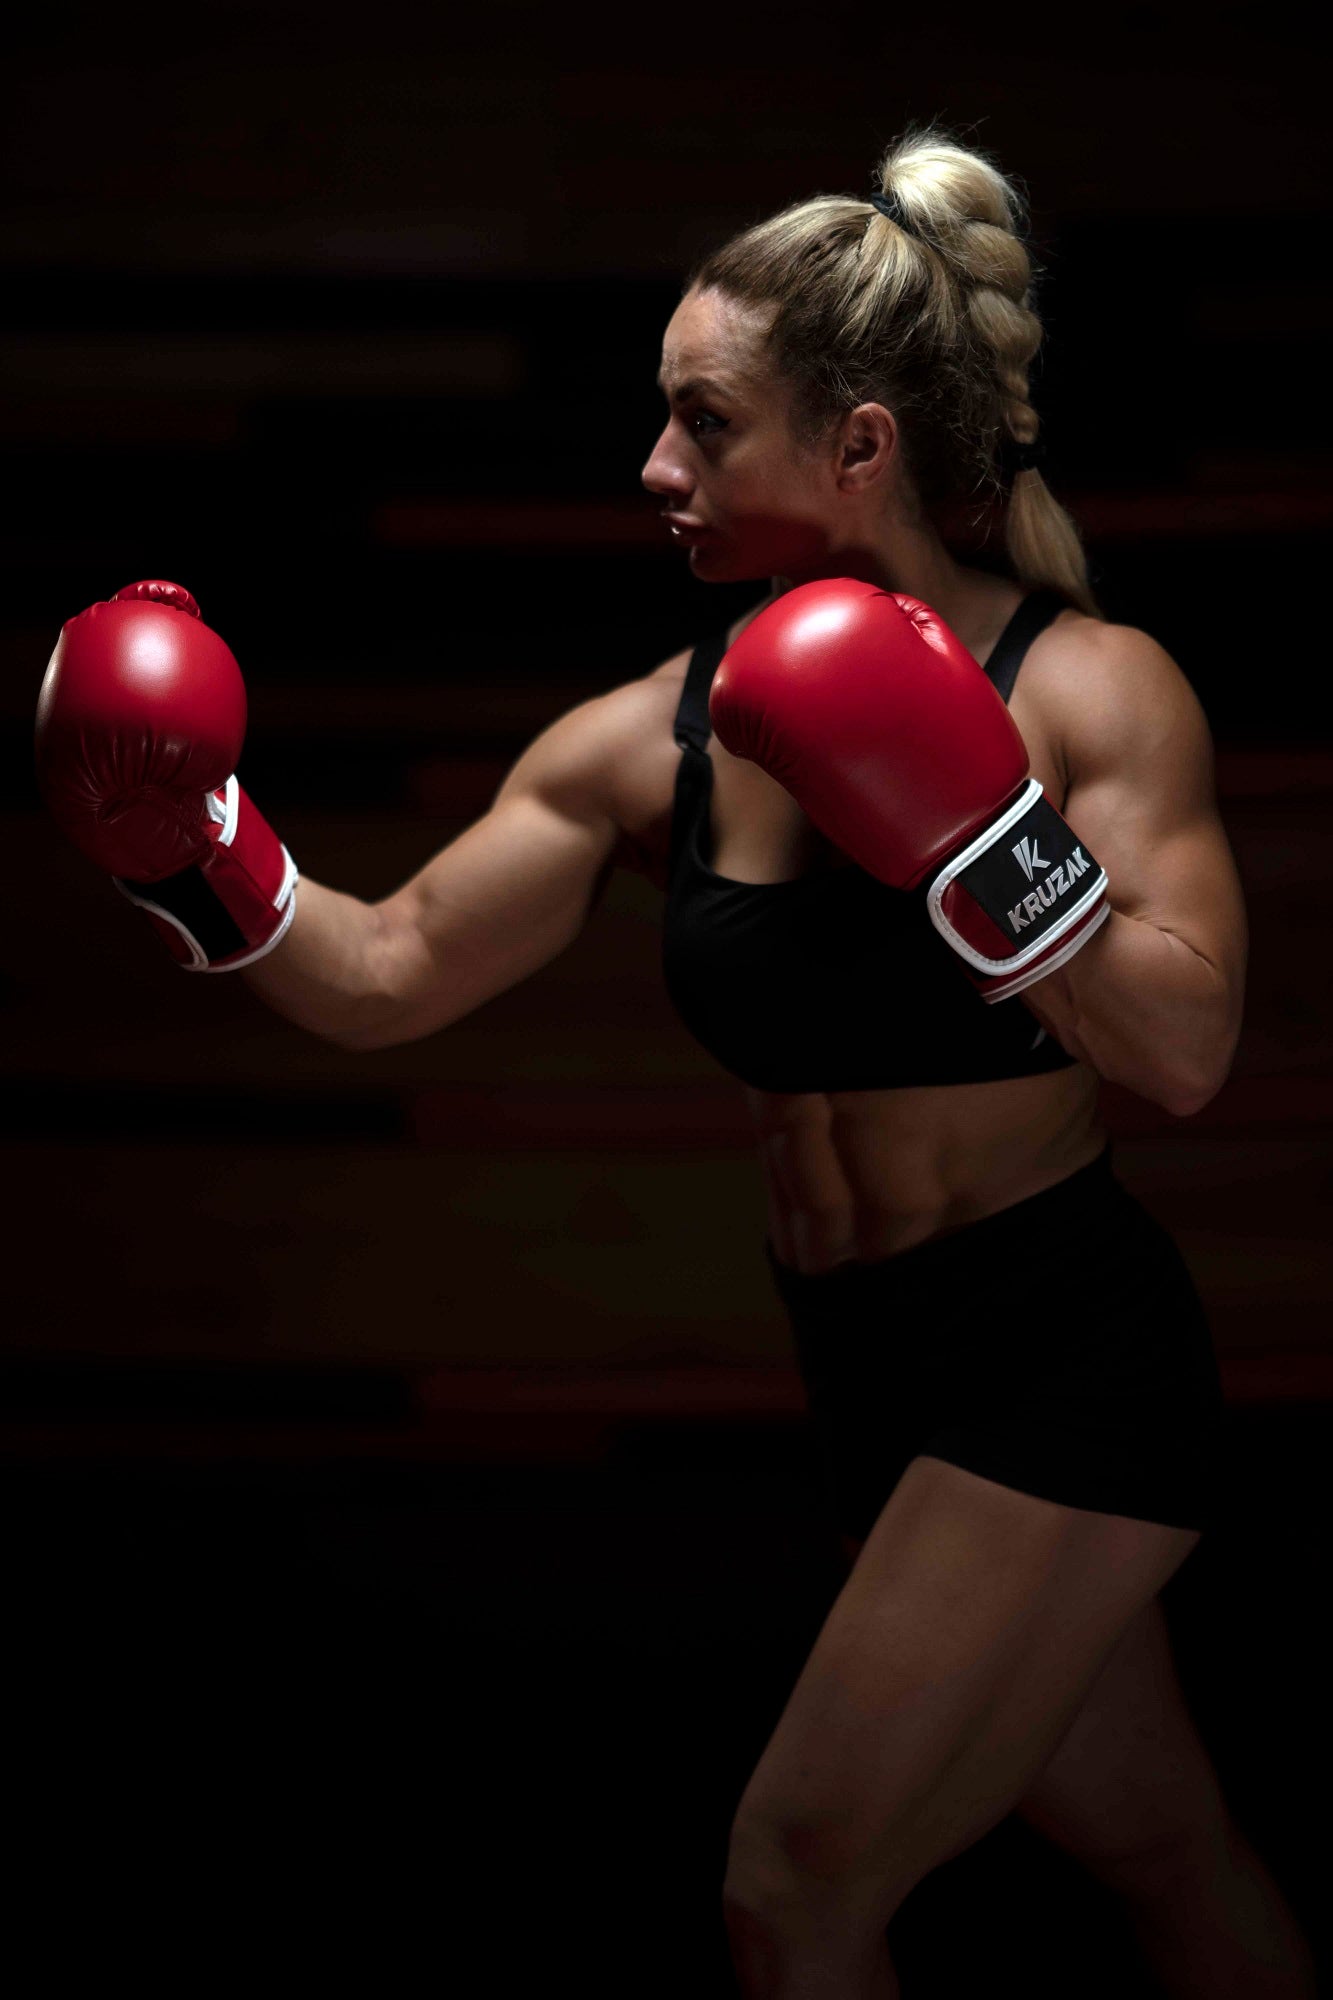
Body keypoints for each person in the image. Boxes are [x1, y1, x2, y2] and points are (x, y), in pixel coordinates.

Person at [35, 127, 1316, 1997]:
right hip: (866, 1372)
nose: (654, 469)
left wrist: (975, 835)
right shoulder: (657, 737)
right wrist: (192, 848)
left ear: (859, 445)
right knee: (1155, 1839)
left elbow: (1187, 1054)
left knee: (792, 1891)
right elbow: (386, 972)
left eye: (704, 423)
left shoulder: (1086, 692)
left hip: (1059, 1363)